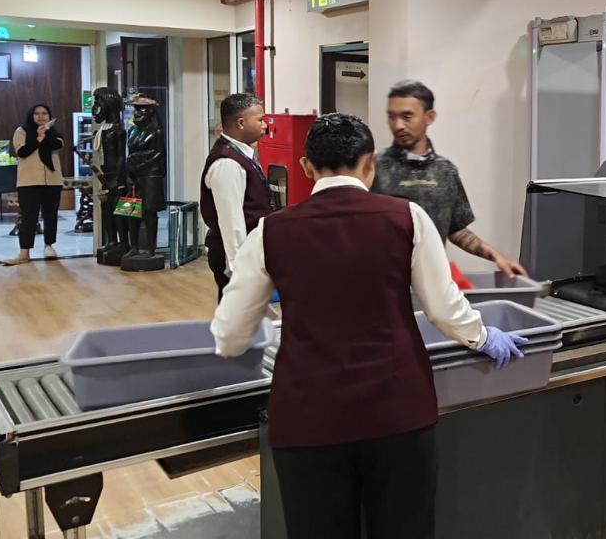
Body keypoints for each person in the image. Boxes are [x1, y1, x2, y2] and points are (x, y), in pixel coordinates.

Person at [211, 113, 528, 539]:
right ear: (370, 163)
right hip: (398, 413)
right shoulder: (407, 218)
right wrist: (485, 337)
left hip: (308, 419)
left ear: (306, 167)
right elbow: (444, 309)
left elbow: (231, 331)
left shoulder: (271, 231)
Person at [373, 80, 527, 277]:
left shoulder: (445, 171)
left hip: (432, 281)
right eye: (391, 117)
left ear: (429, 117)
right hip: (383, 280)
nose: (398, 125)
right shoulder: (374, 167)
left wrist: (496, 256)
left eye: (407, 116)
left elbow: (456, 229)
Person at [200, 93, 273, 300]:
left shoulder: (242, 154)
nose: (265, 126)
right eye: (260, 120)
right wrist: (239, 269)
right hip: (234, 257)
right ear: (241, 123)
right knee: (238, 313)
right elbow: (232, 221)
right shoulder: (227, 163)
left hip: (251, 252)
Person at [4, 104, 65, 266]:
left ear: (49, 116)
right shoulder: (21, 131)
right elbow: (22, 152)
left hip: (52, 180)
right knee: (28, 217)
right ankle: (24, 252)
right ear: (31, 115)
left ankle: (49, 246)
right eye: (37, 113)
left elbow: (58, 145)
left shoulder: (54, 133)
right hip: (28, 181)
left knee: (51, 215)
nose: (41, 116)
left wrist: (46, 134)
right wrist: (38, 137)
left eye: (44, 113)